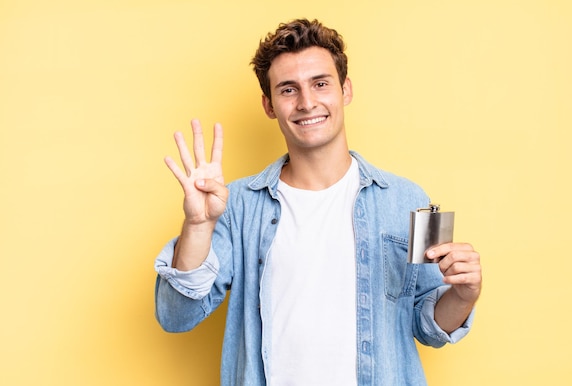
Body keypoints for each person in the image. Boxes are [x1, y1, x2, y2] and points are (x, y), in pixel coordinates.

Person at [154, 18, 482, 386]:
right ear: (269, 105)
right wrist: (198, 226)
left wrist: (464, 295)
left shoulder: (410, 200)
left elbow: (429, 325)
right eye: (288, 90)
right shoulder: (237, 206)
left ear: (346, 90)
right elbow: (175, 316)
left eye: (320, 84)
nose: (307, 103)